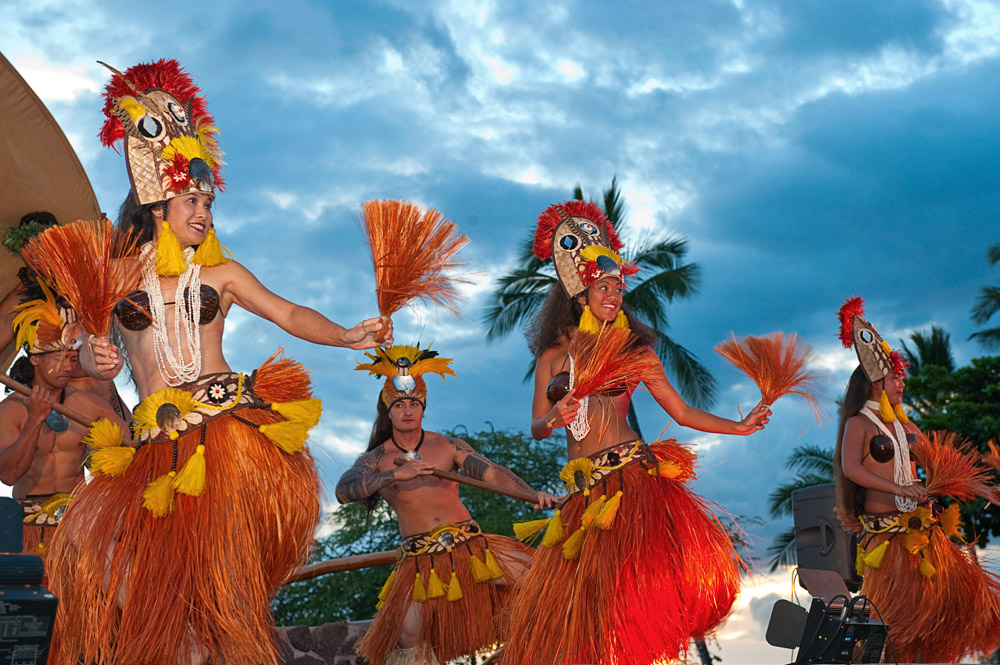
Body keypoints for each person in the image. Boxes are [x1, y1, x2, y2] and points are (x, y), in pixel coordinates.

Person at [43, 59, 391, 665]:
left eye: (207, 201)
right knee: (106, 567)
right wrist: (90, 354)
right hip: (151, 451)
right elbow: (77, 347)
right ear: (158, 202)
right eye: (190, 200)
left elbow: (288, 314)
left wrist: (346, 335)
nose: (203, 212)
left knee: (222, 594)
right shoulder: (111, 278)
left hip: (221, 439)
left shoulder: (222, 274)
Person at [502, 200, 770, 665]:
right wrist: (555, 417)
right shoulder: (552, 356)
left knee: (630, 600)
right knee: (583, 618)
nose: (613, 295)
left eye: (618, 287)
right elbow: (537, 428)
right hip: (585, 495)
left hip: (632, 485)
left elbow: (683, 412)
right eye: (603, 286)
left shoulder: (635, 352)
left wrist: (738, 427)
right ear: (580, 294)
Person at [338, 345, 556, 665]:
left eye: (414, 403)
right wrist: (398, 473)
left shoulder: (446, 445)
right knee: (407, 636)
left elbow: (492, 473)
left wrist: (530, 493)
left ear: (424, 408)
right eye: (400, 405)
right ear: (389, 411)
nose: (408, 410)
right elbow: (344, 490)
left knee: (542, 581)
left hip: (474, 549)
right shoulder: (376, 459)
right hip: (419, 563)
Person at [833, 297, 1000, 663]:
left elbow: (943, 466)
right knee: (894, 631)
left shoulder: (905, 427)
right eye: (895, 376)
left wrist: (987, 490)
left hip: (923, 539)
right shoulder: (859, 424)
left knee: (935, 622)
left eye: (902, 376)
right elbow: (851, 469)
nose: (901, 382)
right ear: (876, 379)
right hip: (887, 545)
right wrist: (899, 488)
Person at [0, 290, 128, 562]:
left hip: (78, 523)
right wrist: (35, 419)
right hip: (29, 529)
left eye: (72, 357)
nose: (68, 365)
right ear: (35, 358)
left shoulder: (90, 406)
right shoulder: (11, 411)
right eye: (59, 357)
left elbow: (133, 449)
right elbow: (9, 475)